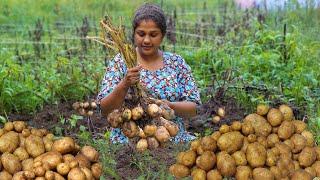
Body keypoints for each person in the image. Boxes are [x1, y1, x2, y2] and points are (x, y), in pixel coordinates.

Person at [97, 3, 201, 144]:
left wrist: (169, 106)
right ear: (134, 34)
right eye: (141, 34)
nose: (146, 40)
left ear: (162, 36)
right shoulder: (121, 63)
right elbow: (104, 109)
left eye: (153, 34)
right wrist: (124, 84)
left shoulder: (176, 63)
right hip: (129, 143)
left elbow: (194, 109)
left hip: (172, 139)